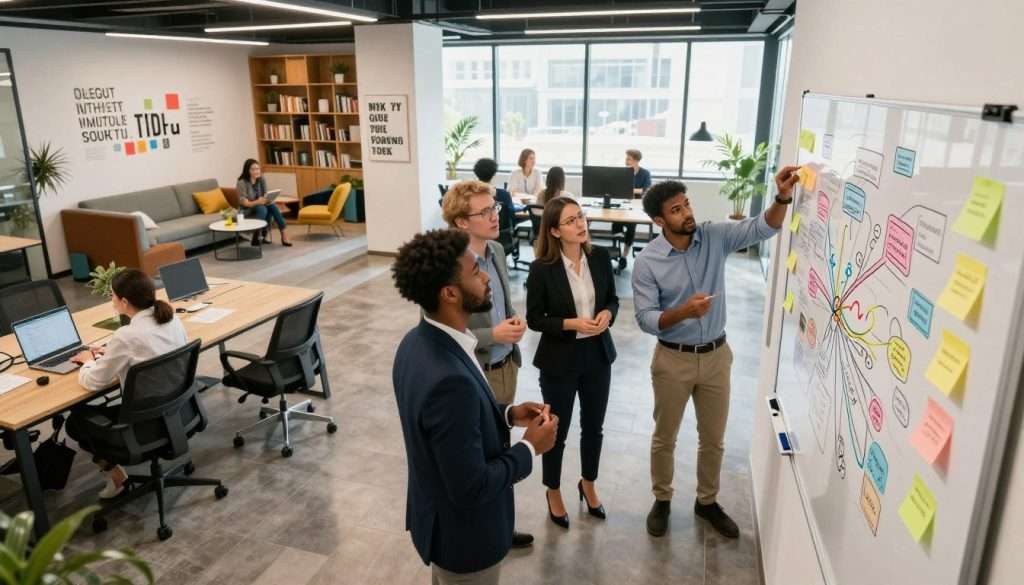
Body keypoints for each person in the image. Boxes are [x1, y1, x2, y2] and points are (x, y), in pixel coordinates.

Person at [631, 167, 798, 539]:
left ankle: (706, 501)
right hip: (672, 359)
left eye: (687, 204)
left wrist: (782, 197)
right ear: (660, 220)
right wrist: (684, 312)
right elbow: (645, 319)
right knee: (665, 436)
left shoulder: (713, 236)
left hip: (717, 357)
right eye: (676, 209)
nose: (687, 212)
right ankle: (662, 499)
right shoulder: (647, 262)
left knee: (714, 438)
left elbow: (762, 227)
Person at [392, 229, 559, 585]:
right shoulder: (449, 381)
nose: (486, 276)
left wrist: (507, 414)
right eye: (475, 272)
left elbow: (446, 427)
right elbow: (471, 487)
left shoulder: (416, 342)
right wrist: (530, 446)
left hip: (438, 520)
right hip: (465, 540)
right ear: (449, 293)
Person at [442, 179, 534, 549]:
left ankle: (501, 525)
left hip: (505, 366)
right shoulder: (448, 266)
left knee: (500, 450)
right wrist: (493, 335)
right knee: (477, 460)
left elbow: (503, 305)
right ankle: (483, 532)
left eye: (494, 207)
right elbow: (443, 334)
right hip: (475, 373)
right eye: (486, 212)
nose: (497, 215)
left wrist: (513, 323)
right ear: (462, 222)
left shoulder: (495, 250)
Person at [526, 197, 619, 529]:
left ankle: (588, 484)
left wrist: (608, 313)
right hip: (559, 360)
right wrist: (571, 323)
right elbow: (535, 319)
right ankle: (553, 491)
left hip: (597, 356)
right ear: (554, 230)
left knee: (594, 427)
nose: (580, 224)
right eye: (570, 221)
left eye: (581, 217)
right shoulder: (541, 269)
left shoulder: (600, 257)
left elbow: (612, 298)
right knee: (557, 431)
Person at [67, 269, 188, 499]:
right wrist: (112, 352)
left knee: (76, 421)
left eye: (112, 296)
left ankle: (116, 476)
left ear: (124, 301)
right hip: (178, 412)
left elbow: (93, 382)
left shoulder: (126, 336)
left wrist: (88, 361)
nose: (111, 300)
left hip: (144, 427)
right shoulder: (172, 319)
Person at [235, 158, 292, 247]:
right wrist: (258, 201)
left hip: (260, 205)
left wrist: (269, 199)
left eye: (258, 169)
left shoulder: (261, 179)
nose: (256, 171)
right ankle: (258, 234)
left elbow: (265, 194)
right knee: (263, 208)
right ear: (247, 170)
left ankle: (283, 233)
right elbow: (245, 203)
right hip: (246, 209)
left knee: (271, 206)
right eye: (253, 169)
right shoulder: (242, 183)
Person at [472, 157, 517, 234]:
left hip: (477, 234)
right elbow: (512, 217)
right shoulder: (504, 194)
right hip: (502, 237)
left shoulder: (471, 195)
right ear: (494, 174)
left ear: (476, 173)